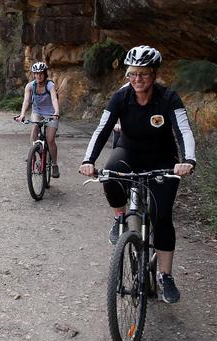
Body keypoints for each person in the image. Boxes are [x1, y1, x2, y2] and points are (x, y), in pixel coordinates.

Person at [78, 46, 196, 303]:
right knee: (109, 175)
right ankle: (119, 217)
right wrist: (88, 159)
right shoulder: (121, 97)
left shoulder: (168, 98)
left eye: (143, 74)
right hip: (128, 152)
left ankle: (165, 276)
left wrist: (187, 160)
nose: (137, 79)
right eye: (132, 74)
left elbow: (183, 130)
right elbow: (101, 129)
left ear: (154, 74)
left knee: (161, 216)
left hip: (163, 160)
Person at [14, 61, 61, 178]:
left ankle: (54, 165)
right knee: (34, 128)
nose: (38, 76)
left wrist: (56, 112)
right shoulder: (30, 86)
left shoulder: (50, 85)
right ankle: (34, 155)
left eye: (41, 73)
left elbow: (54, 99)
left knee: (50, 140)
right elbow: (26, 101)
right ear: (33, 74)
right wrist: (22, 115)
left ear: (45, 74)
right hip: (37, 112)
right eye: (36, 73)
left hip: (51, 114)